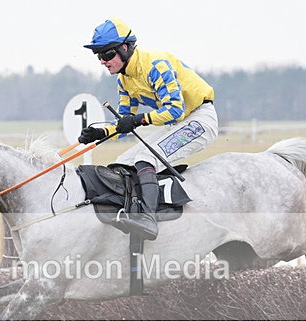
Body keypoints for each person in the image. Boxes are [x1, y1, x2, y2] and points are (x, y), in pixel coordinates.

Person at [79, 18, 219, 240]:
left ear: (124, 48)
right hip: (180, 123)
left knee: (145, 158)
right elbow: (124, 125)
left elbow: (175, 111)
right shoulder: (123, 80)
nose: (103, 61)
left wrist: (138, 119)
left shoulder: (156, 66)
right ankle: (130, 212)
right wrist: (101, 133)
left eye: (107, 54)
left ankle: (149, 219)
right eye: (99, 56)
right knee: (123, 161)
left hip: (200, 120)